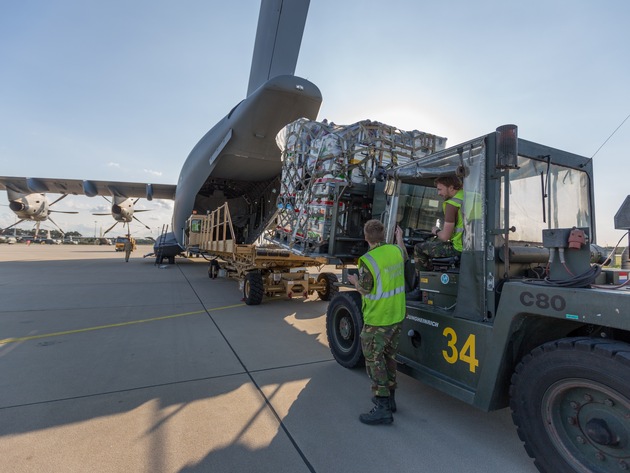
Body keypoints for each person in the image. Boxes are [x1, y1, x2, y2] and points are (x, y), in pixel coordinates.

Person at [347, 219, 406, 425]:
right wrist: (399, 239)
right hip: (396, 316)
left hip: (377, 318)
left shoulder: (368, 260)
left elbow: (365, 288)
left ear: (366, 237)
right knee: (389, 357)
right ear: (383, 236)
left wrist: (354, 281)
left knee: (373, 360)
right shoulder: (395, 251)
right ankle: (390, 400)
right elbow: (403, 254)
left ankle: (382, 407)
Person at [414, 176, 464, 272]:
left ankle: (422, 280)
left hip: (458, 248)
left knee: (419, 248)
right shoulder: (471, 196)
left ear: (451, 187)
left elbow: (445, 237)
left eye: (440, 189)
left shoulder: (452, 204)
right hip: (472, 247)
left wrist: (436, 231)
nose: (438, 193)